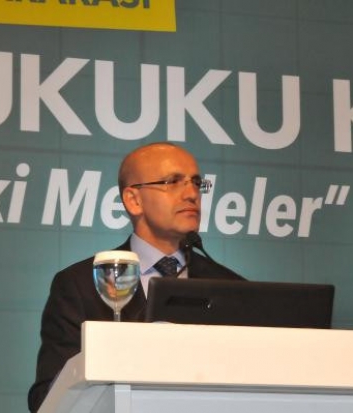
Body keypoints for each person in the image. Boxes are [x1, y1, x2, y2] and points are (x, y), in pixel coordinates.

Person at [28, 142, 244, 412]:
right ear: (134, 200)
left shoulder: (231, 287)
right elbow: (47, 398)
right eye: (173, 181)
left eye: (196, 183)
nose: (191, 194)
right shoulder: (79, 285)